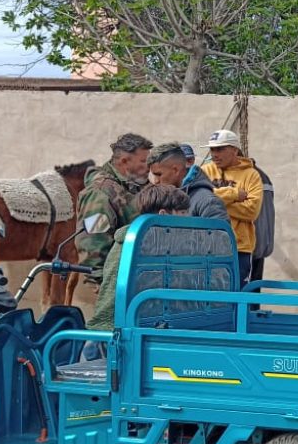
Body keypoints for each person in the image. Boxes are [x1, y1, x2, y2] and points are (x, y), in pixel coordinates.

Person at [85, 185, 190, 333]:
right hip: (115, 332)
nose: (188, 218)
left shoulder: (157, 242)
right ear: (163, 214)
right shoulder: (140, 246)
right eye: (183, 212)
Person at [76, 133, 152, 286]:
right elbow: (93, 243)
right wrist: (100, 285)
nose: (149, 167)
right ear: (124, 161)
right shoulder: (100, 193)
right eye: (144, 161)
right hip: (110, 283)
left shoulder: (132, 186)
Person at [200, 129, 263, 287]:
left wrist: (214, 202)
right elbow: (199, 198)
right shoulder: (205, 171)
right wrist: (233, 194)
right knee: (207, 294)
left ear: (234, 150)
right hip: (207, 245)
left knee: (237, 293)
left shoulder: (251, 175)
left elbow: (251, 211)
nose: (214, 154)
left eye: (220, 149)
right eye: (212, 149)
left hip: (239, 247)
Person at [146, 142, 229, 221]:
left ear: (176, 170)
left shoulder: (207, 202)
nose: (155, 181)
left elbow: (220, 231)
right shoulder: (161, 198)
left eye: (159, 174)